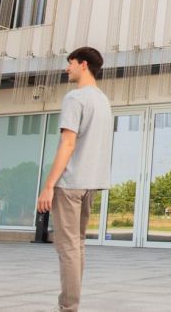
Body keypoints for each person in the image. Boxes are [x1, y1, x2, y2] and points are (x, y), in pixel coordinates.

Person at [36, 47, 113, 312]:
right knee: (78, 245)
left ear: (83, 64)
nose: (67, 68)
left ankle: (68, 307)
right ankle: (72, 304)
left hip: (70, 183)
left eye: (70, 64)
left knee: (68, 248)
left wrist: (48, 185)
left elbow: (67, 144)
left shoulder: (75, 97)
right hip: (90, 183)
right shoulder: (103, 100)